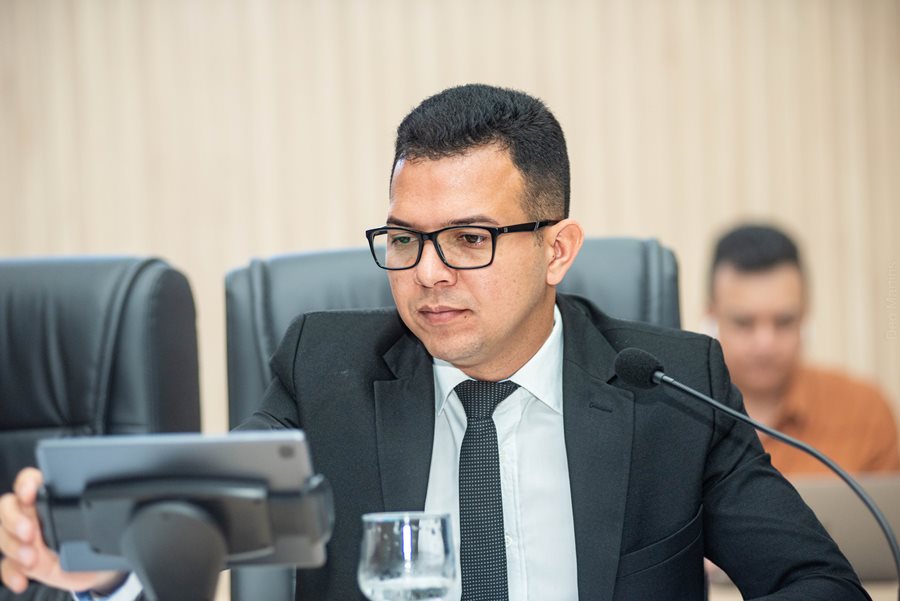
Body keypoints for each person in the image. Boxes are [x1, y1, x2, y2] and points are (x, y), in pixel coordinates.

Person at [1, 85, 868, 600]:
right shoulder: (326, 372)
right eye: (404, 239)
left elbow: (816, 582)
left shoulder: (669, 387)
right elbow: (208, 517)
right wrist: (96, 558)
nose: (427, 273)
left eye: (469, 238)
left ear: (557, 249)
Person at [708, 223, 900, 476]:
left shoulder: (864, 411)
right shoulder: (679, 413)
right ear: (711, 316)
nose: (765, 344)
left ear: (805, 315)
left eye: (784, 321)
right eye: (744, 322)